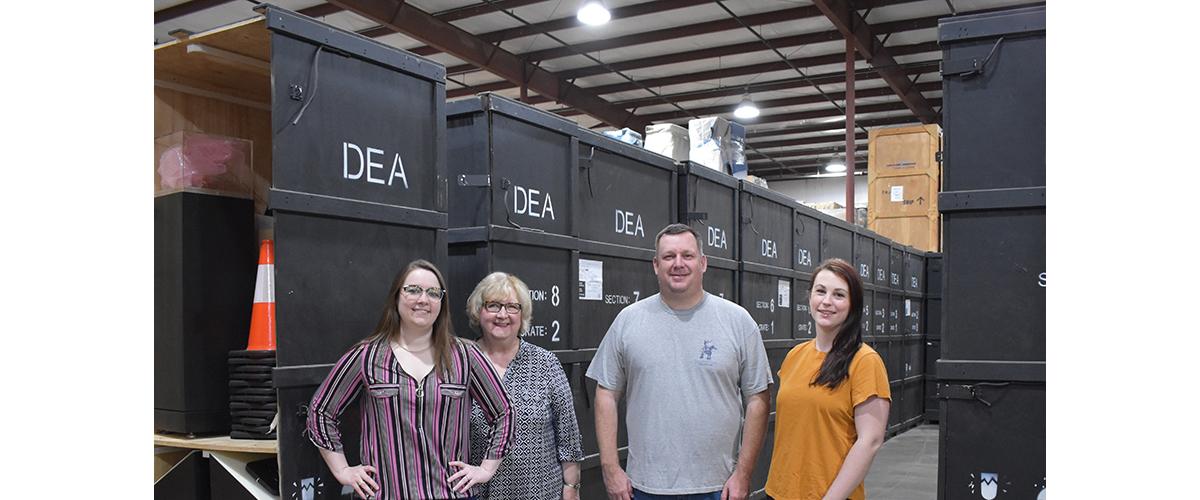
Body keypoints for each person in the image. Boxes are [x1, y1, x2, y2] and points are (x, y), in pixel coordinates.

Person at [587, 223, 773, 500]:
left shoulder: (738, 321)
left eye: (687, 256)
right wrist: (610, 468)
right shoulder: (628, 320)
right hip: (645, 487)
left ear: (703, 263)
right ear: (655, 264)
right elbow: (606, 394)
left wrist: (744, 474)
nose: (678, 264)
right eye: (668, 256)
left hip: (718, 487)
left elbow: (758, 400)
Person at [306, 259, 513, 499]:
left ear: (441, 303)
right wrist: (342, 470)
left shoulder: (465, 356)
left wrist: (486, 469)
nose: (423, 299)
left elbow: (504, 413)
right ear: (396, 296)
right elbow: (321, 411)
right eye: (413, 290)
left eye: (433, 293)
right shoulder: (367, 356)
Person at [764, 258, 891, 500]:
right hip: (779, 492)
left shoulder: (865, 361)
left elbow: (870, 441)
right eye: (820, 291)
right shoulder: (795, 356)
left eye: (839, 295)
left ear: (853, 304)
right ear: (810, 297)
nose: (826, 302)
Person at [465, 272, 584, 500]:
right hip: (477, 494)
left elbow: (567, 436)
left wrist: (572, 487)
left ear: (522, 314)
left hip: (538, 493)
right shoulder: (460, 361)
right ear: (478, 311)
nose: (502, 315)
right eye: (493, 305)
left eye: (512, 307)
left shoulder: (545, 363)